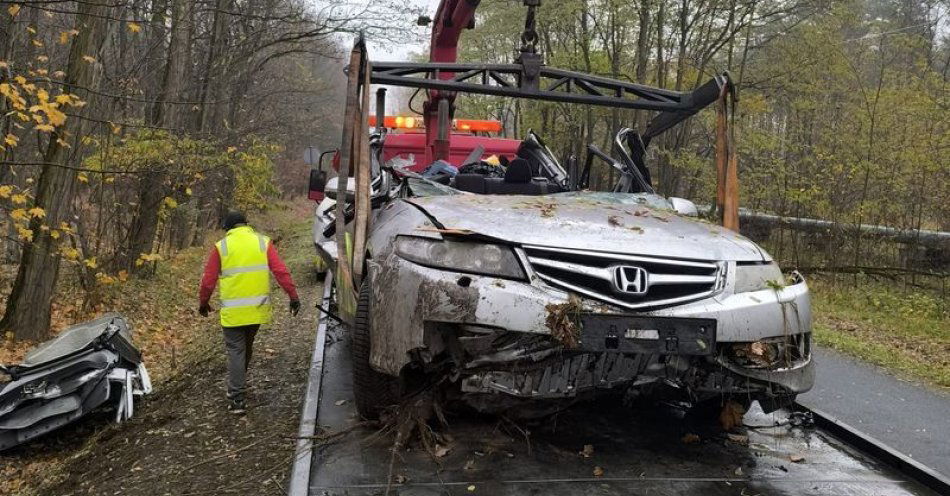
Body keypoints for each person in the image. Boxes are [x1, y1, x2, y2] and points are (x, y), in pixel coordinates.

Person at [198, 210, 301, 414]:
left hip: (233, 313)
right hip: (256, 310)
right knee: (246, 347)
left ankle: (237, 398)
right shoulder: (263, 242)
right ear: (246, 224)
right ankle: (238, 384)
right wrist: (293, 296)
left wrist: (203, 303)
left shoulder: (222, 247)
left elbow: (208, 280)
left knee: (236, 350)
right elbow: (280, 271)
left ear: (228, 228)